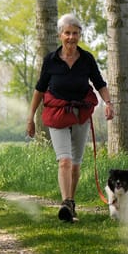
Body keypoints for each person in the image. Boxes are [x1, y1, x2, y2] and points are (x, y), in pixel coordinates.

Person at [26, 13, 114, 222]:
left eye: (75, 33)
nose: (71, 37)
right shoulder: (51, 60)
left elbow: (100, 84)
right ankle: (65, 202)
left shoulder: (87, 59)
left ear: (80, 35)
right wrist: (30, 117)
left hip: (81, 114)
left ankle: (71, 202)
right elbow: (39, 90)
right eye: (67, 33)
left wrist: (108, 103)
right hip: (57, 114)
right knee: (64, 160)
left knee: (75, 163)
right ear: (60, 35)